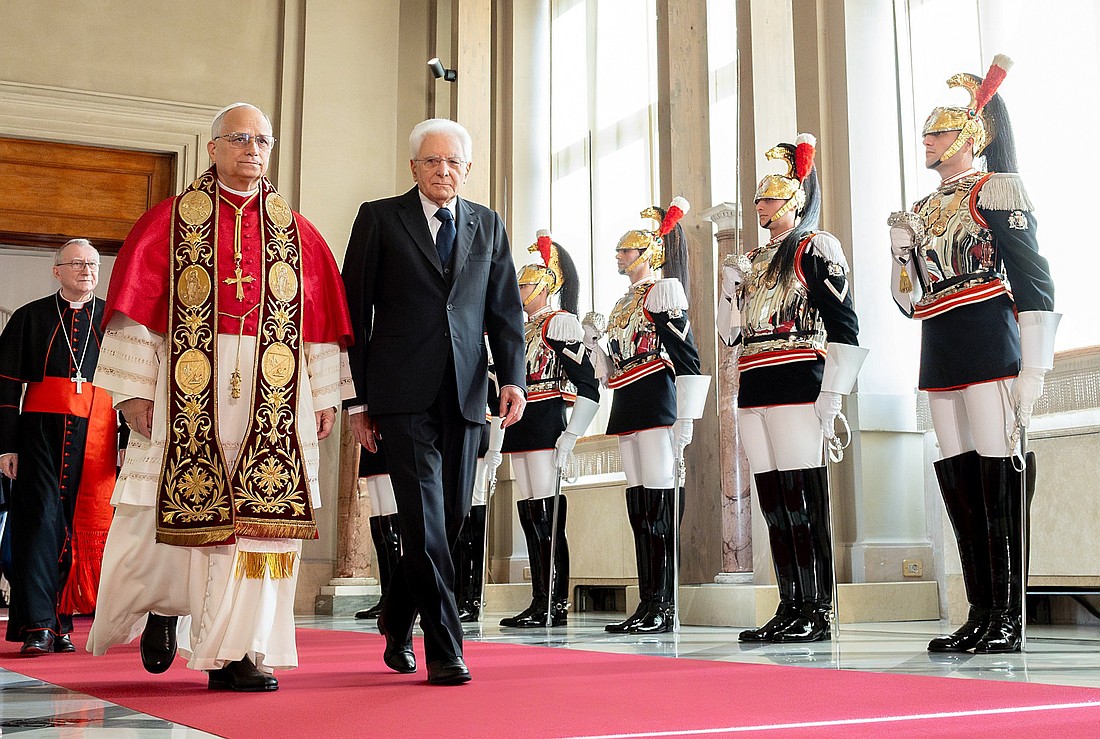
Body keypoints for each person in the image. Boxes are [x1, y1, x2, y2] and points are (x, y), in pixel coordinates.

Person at [85, 102, 354, 692]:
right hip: (182, 390)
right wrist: (132, 391)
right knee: (161, 517)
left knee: (260, 530)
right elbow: (135, 318)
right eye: (239, 138)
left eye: (263, 140)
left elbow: (319, 321)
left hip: (274, 394)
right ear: (212, 149)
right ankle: (164, 606)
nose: (253, 149)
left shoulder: (298, 232)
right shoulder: (168, 223)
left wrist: (325, 396)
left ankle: (241, 651)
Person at [342, 118, 526, 685]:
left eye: (454, 162)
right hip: (400, 396)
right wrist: (358, 402)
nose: (443, 171)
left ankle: (397, 623)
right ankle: (447, 646)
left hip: (467, 392)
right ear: (414, 166)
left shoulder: (487, 224)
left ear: (466, 169)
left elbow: (504, 310)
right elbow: (355, 313)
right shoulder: (379, 218)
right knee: (424, 521)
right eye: (432, 161)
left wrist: (513, 378)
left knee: (445, 521)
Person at [888, 56, 1057, 654]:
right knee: (958, 478)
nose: (928, 140)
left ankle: (1008, 613)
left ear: (968, 138)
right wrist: (901, 256)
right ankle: (980, 609)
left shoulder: (997, 189)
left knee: (995, 473)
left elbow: (1034, 281)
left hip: (988, 336)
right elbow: (909, 301)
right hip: (940, 342)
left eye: (938, 131)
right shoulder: (923, 208)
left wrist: (1034, 367)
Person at [717, 135, 866, 643]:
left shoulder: (813, 247)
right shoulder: (754, 260)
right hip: (755, 382)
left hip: (801, 375)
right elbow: (730, 334)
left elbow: (845, 322)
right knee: (774, 501)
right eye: (759, 199)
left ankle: (818, 608)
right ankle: (790, 602)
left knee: (805, 497)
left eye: (770, 198)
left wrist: (834, 391)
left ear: (795, 200)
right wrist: (730, 290)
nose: (760, 206)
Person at [587, 198, 710, 635]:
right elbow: (611, 368)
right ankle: (647, 600)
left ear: (649, 254)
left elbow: (687, 355)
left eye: (627, 250)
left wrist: (687, 417)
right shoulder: (623, 303)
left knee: (660, 504)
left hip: (657, 398)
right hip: (626, 400)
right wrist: (592, 345)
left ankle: (665, 603)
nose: (620, 256)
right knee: (639, 505)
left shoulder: (663, 291)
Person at [0, 239, 118, 654]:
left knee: (75, 526)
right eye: (78, 263)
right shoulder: (29, 317)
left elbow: (132, 386)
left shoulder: (113, 319)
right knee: (38, 524)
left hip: (98, 435)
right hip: (38, 434)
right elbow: (6, 387)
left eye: (93, 264)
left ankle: (64, 620)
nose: (87, 270)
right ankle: (37, 625)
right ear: (58, 271)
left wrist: (123, 442)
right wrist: (5, 446)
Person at [498, 232, 600, 629]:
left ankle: (555, 600)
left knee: (546, 511)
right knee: (529, 512)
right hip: (520, 424)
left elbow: (586, 382)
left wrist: (571, 433)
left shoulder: (559, 324)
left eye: (524, 284)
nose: (518, 290)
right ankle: (540, 596)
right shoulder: (519, 329)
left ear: (544, 286)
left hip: (545, 420)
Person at [353, 447, 400, 621]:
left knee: (390, 516)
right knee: (379, 519)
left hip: (395, 433)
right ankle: (387, 596)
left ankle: (397, 598)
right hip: (375, 435)